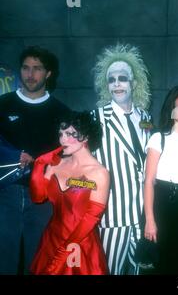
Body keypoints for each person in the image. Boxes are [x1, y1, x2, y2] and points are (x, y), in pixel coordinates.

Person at [0, 46, 71, 274]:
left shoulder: (61, 112)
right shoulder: (3, 104)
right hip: (5, 195)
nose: (30, 74)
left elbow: (69, 157)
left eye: (37, 69)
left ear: (48, 74)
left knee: (39, 261)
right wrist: (11, 156)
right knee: (4, 260)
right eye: (26, 68)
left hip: (43, 199)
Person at [91, 43, 152, 275]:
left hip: (142, 216)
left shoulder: (145, 118)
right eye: (112, 79)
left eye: (123, 78)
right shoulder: (95, 119)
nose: (117, 84)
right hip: (111, 218)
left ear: (133, 83)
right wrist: (94, 191)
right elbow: (76, 174)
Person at [29, 111, 109, 275]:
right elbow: (38, 198)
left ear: (85, 136)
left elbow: (91, 218)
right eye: (61, 134)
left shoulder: (99, 173)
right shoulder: (57, 164)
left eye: (70, 134)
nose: (63, 139)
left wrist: (65, 251)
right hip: (51, 239)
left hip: (79, 243)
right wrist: (38, 166)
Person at [143, 85, 178, 274]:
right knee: (163, 265)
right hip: (163, 207)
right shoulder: (159, 138)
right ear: (172, 111)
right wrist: (150, 219)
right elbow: (149, 181)